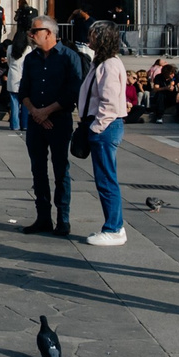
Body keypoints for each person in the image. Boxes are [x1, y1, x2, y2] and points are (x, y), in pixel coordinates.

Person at [18, 16, 84, 236]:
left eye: (34, 30)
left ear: (48, 32)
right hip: (36, 122)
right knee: (38, 171)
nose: (31, 34)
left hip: (59, 120)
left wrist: (47, 111)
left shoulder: (69, 57)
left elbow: (74, 91)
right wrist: (35, 112)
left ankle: (62, 219)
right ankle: (43, 218)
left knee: (60, 170)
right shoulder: (31, 59)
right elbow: (23, 91)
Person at [75, 21, 130, 246]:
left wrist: (95, 128)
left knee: (106, 179)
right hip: (103, 125)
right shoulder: (102, 62)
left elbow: (108, 101)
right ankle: (114, 226)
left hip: (105, 127)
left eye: (92, 35)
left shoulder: (109, 65)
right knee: (105, 178)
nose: (89, 39)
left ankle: (114, 228)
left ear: (103, 38)